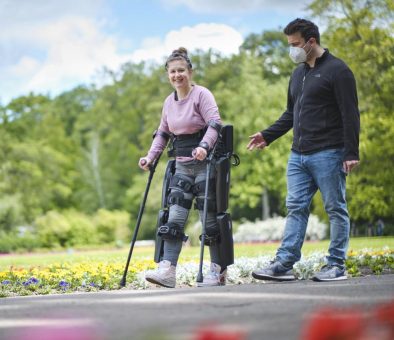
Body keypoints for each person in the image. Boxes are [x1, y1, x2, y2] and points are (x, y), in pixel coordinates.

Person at [247, 18, 360, 282]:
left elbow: (350, 114)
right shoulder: (298, 73)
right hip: (298, 156)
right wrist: (268, 135)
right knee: (296, 207)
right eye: (289, 44)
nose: (292, 50)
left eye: (295, 44)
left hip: (329, 153)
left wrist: (351, 152)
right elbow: (291, 114)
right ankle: (284, 264)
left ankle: (336, 265)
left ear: (311, 42)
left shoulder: (338, 71)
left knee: (335, 208)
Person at [139, 47, 227, 288]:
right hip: (181, 165)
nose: (177, 75)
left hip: (205, 164)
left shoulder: (202, 95)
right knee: (175, 217)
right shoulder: (169, 102)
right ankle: (167, 270)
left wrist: (204, 146)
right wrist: (150, 157)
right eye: (172, 72)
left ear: (190, 72)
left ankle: (217, 270)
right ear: (168, 74)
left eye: (181, 71)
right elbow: (163, 133)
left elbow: (215, 124)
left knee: (208, 219)